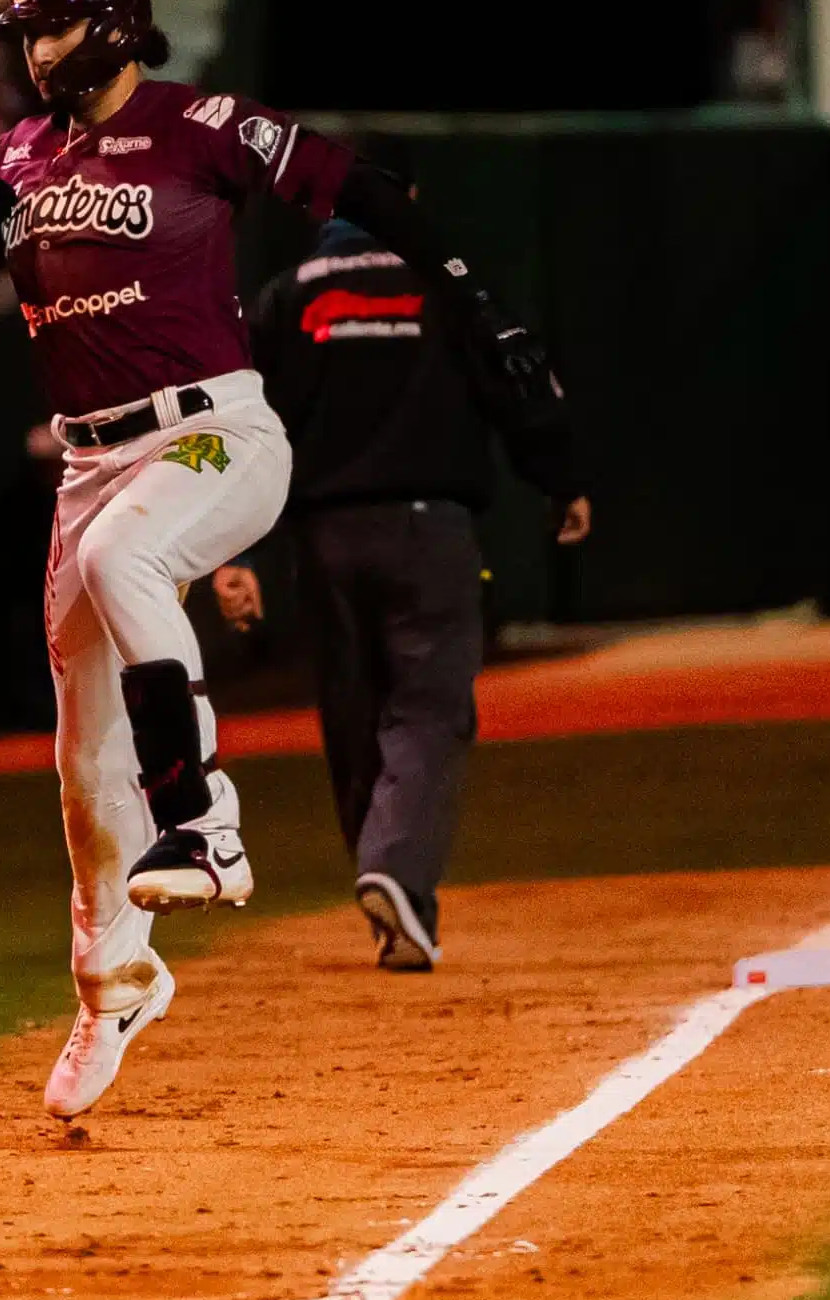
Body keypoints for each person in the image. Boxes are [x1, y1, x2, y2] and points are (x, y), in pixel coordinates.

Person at [0, 0, 548, 1117]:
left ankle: (203, 819)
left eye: (47, 25)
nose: (32, 49)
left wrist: (474, 296)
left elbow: (369, 191)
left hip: (213, 429)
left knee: (122, 559)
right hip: (89, 457)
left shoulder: (199, 123)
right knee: (76, 763)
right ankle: (112, 982)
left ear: (107, 22)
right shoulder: (24, 151)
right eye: (27, 29)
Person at [212, 214, 589, 972]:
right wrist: (560, 479)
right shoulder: (448, 283)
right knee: (429, 707)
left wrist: (236, 548)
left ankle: (401, 906)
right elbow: (522, 383)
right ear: (409, 197)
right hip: (429, 529)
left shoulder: (285, 296)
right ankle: (396, 870)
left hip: (322, 538)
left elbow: (239, 424)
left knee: (353, 716)